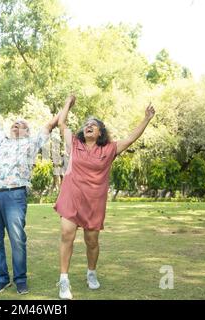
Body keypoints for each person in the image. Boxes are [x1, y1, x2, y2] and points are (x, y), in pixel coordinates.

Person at [54, 95, 155, 299]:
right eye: (86, 124)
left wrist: (146, 119)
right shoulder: (74, 144)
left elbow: (131, 138)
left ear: (100, 132)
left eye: (93, 124)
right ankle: (64, 280)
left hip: (93, 201)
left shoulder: (109, 149)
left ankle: (91, 272)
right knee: (67, 234)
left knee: (91, 241)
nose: (88, 126)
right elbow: (61, 123)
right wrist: (67, 104)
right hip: (72, 196)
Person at [0, 90, 61, 295]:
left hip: (14, 195)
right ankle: (2, 278)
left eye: (23, 125)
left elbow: (50, 124)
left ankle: (20, 279)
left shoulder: (32, 143)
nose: (18, 126)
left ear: (28, 131)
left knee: (17, 239)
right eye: (15, 124)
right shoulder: (2, 141)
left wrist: (67, 104)